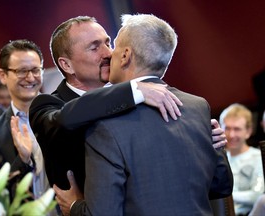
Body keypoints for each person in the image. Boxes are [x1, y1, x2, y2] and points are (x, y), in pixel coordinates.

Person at [54, 14, 233, 216]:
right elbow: (221, 185)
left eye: (114, 45)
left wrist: (74, 207)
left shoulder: (105, 125)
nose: (109, 54)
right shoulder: (198, 107)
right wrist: (217, 148)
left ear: (125, 56)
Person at [29, 16, 186, 194]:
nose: (108, 53)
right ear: (67, 65)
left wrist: (195, 135)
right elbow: (63, 121)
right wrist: (131, 90)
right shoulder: (46, 105)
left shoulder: (134, 94)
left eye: (107, 43)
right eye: (95, 47)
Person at [0, 39, 50, 201]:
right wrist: (23, 160)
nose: (30, 78)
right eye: (21, 71)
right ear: (3, 76)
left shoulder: (63, 113)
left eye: (35, 70)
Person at [220, 103, 264, 215]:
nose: (231, 135)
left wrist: (226, 197)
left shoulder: (258, 157)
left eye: (237, 129)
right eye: (227, 128)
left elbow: (257, 196)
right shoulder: (217, 159)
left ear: (248, 131)